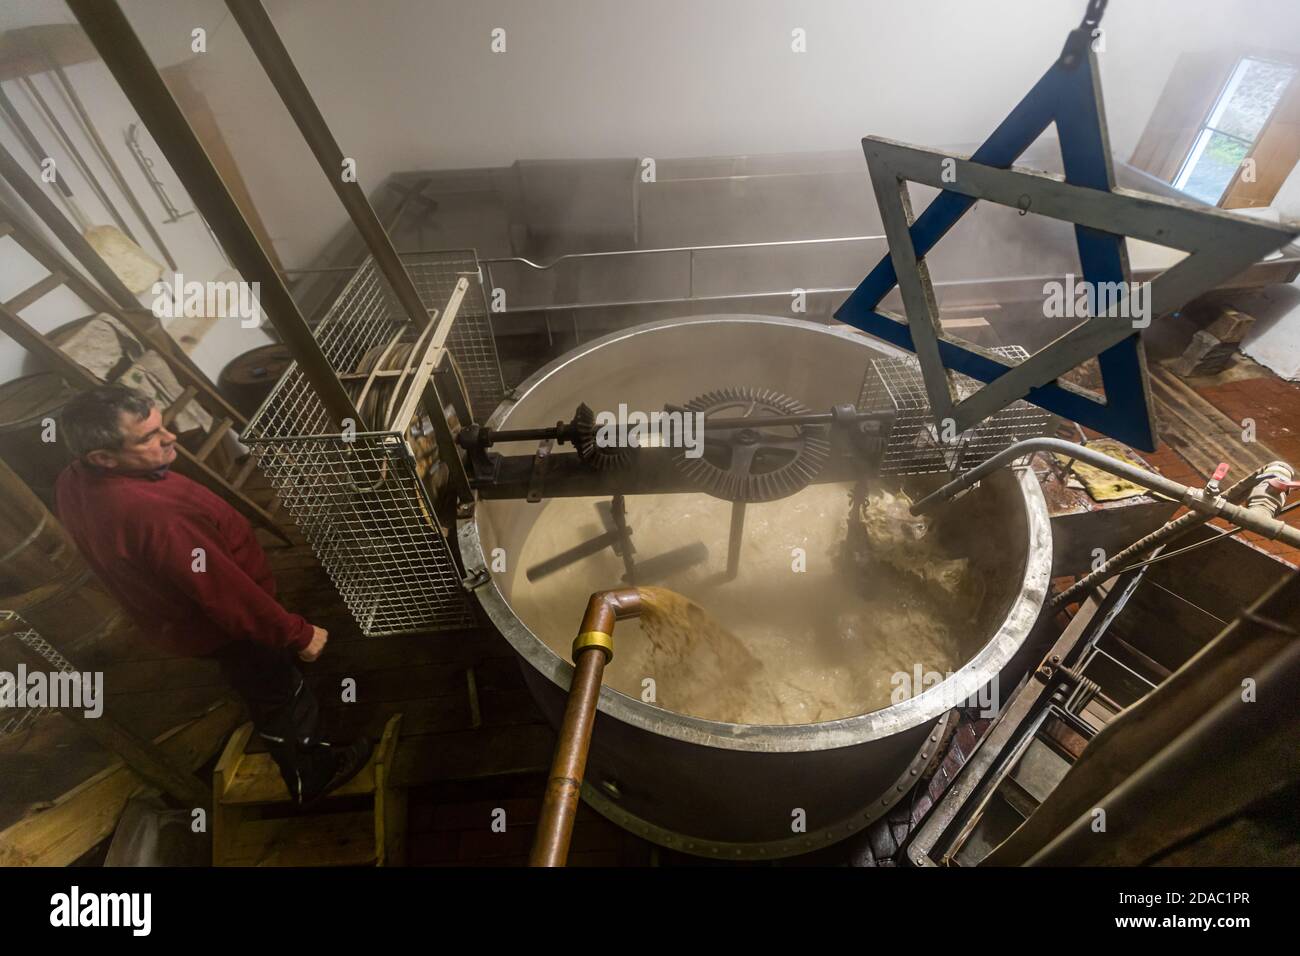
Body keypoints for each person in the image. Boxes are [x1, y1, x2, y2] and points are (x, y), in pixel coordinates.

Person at [54, 384, 372, 805]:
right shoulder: (157, 515)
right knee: (276, 690)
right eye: (149, 437)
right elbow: (226, 594)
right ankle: (310, 775)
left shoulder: (73, 478)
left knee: (260, 678)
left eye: (161, 424)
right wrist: (296, 634)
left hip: (176, 619)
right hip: (226, 627)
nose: (172, 437)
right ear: (103, 458)